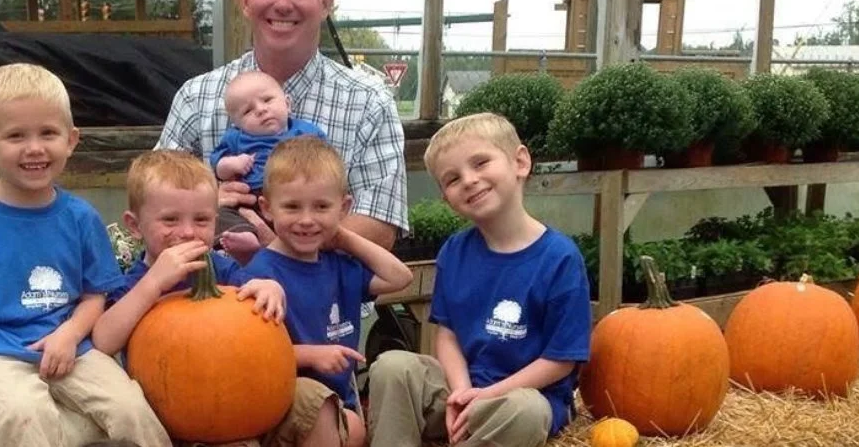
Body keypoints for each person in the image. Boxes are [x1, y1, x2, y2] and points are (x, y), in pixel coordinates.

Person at [0, 63, 171, 447]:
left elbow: (94, 294)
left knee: (130, 408)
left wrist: (69, 334)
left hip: (72, 347)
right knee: (24, 416)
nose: (34, 148)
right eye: (15, 135)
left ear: (71, 139)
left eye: (48, 133)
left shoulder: (80, 217)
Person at [156, 0, 408, 257]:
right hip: (215, 298)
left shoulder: (368, 102)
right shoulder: (196, 97)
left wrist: (279, 249)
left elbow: (379, 227)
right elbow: (153, 206)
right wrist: (204, 208)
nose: (283, 3)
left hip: (321, 303)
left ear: (327, 0)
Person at [93, 148, 356, 447]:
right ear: (135, 226)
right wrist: (152, 284)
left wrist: (272, 288)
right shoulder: (133, 284)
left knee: (314, 402)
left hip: (248, 402)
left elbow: (254, 293)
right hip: (174, 422)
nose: (188, 232)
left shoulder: (221, 269)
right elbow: (103, 341)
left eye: (202, 220)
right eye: (170, 220)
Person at [364, 113, 594, 447]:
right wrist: (460, 394)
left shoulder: (559, 258)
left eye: (481, 163)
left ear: (520, 162)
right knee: (392, 366)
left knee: (527, 411)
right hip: (462, 393)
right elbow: (448, 336)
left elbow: (561, 360)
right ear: (447, 198)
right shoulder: (454, 251)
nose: (469, 180)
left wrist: (488, 395)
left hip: (518, 400)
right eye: (453, 179)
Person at [245, 136, 415, 447]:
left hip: (340, 403)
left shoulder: (341, 266)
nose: (307, 220)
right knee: (334, 419)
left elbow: (400, 277)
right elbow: (250, 355)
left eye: (322, 207)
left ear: (344, 207)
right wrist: (312, 355)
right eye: (292, 206)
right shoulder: (262, 275)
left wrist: (343, 236)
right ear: (267, 208)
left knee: (352, 427)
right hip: (282, 405)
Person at [210, 70, 327, 260]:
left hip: (293, 199)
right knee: (221, 213)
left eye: (267, 100)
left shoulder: (305, 132)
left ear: (287, 104)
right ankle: (245, 237)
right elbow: (218, 166)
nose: (261, 110)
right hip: (251, 198)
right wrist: (233, 164)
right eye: (248, 111)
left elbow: (326, 161)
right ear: (237, 124)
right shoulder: (237, 138)